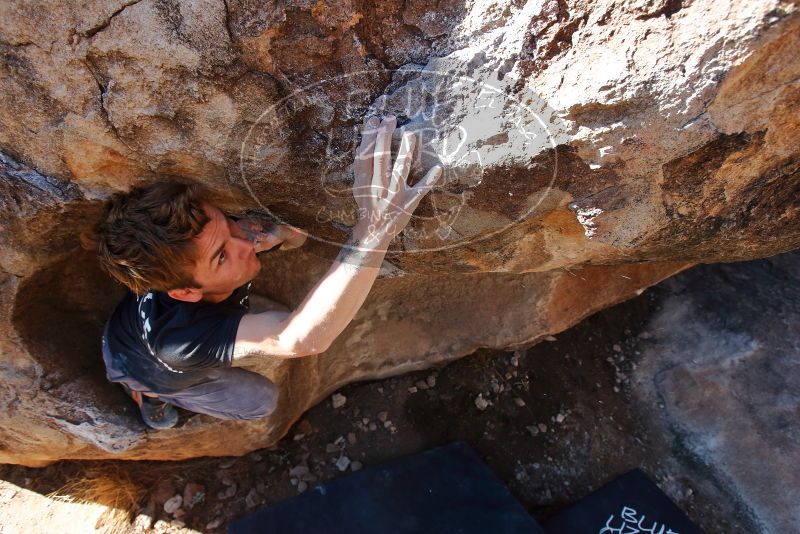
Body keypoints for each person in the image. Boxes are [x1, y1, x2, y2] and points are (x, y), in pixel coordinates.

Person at [88, 115, 442, 429]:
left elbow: (243, 239)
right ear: (185, 292)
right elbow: (299, 339)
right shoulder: (182, 342)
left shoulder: (176, 261)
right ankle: (150, 399)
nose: (244, 243)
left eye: (228, 224)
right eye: (222, 257)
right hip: (150, 369)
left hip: (124, 330)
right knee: (260, 400)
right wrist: (372, 231)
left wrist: (273, 233)